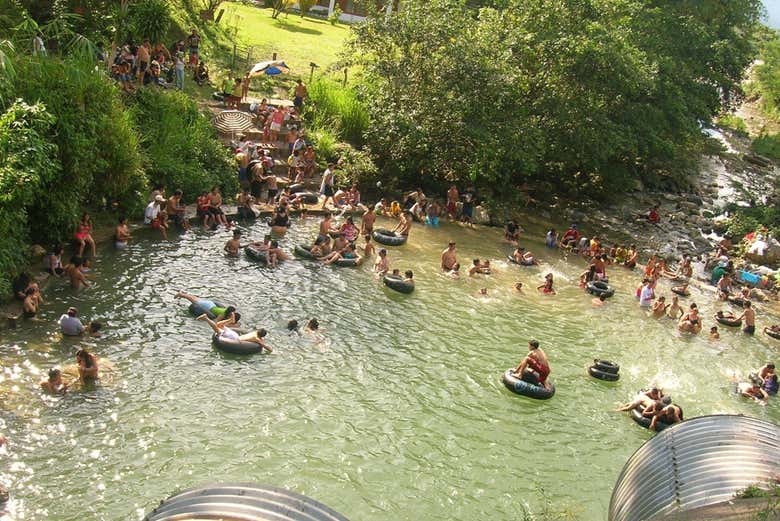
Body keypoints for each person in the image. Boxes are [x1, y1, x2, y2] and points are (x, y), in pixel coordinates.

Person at [198, 314, 273, 352]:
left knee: (219, 325)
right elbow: (266, 347)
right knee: (216, 329)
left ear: (258, 331)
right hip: (234, 338)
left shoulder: (254, 332)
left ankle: (230, 320)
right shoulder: (257, 339)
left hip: (234, 334)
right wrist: (270, 349)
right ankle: (206, 318)